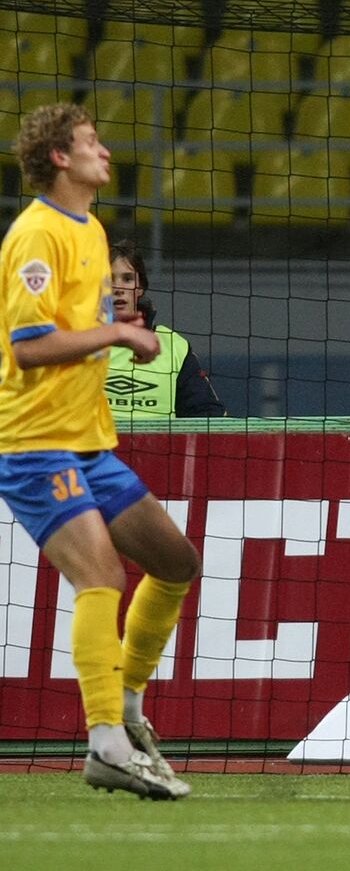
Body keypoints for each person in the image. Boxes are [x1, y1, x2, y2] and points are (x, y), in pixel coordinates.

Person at [0, 104, 201, 799]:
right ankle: (105, 740)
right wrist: (119, 337)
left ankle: (131, 705)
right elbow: (29, 350)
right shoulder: (35, 236)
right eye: (91, 143)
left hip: (87, 442)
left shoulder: (92, 230)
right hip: (33, 442)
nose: (105, 153)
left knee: (175, 562)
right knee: (102, 581)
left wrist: (107, 329)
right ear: (60, 157)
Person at [107, 239, 226, 419]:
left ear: (140, 288)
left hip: (156, 448)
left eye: (128, 279)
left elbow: (210, 417)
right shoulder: (78, 344)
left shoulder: (174, 347)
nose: (118, 288)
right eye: (109, 279)